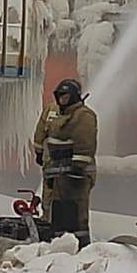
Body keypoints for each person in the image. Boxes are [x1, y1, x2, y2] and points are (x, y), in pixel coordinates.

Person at [31, 78, 97, 247]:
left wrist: (76, 170)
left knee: (77, 215)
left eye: (66, 96)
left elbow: (84, 146)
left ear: (74, 96)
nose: (62, 99)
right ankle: (56, 243)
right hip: (58, 174)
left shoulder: (84, 116)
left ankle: (82, 246)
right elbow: (41, 135)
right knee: (56, 211)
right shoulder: (58, 112)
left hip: (77, 176)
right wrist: (43, 159)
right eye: (60, 96)